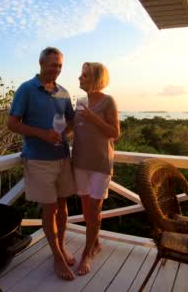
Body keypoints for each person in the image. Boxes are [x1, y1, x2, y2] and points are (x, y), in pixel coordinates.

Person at [7, 47, 77, 280]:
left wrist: (63, 133)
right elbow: (13, 123)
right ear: (41, 64)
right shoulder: (26, 89)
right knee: (50, 210)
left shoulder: (64, 92)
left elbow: (72, 122)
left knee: (63, 208)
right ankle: (57, 257)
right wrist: (41, 134)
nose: (56, 69)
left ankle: (62, 247)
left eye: (59, 65)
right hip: (38, 159)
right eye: (52, 65)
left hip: (62, 158)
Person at [72, 62, 120, 275]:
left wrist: (92, 117)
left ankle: (86, 254)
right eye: (81, 75)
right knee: (86, 211)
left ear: (97, 79)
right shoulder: (81, 101)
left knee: (95, 211)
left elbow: (115, 133)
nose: (80, 78)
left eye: (85, 76)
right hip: (80, 162)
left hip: (100, 164)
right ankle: (96, 243)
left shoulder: (108, 101)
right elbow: (75, 129)